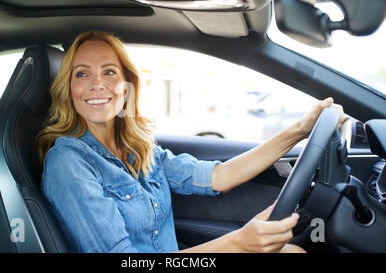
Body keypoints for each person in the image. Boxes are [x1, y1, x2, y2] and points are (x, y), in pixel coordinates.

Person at [37, 31, 346, 253]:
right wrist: (239, 243)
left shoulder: (140, 149)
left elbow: (217, 176)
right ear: (68, 89)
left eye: (109, 72)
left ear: (126, 86)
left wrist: (300, 130)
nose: (97, 84)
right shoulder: (68, 163)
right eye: (82, 74)